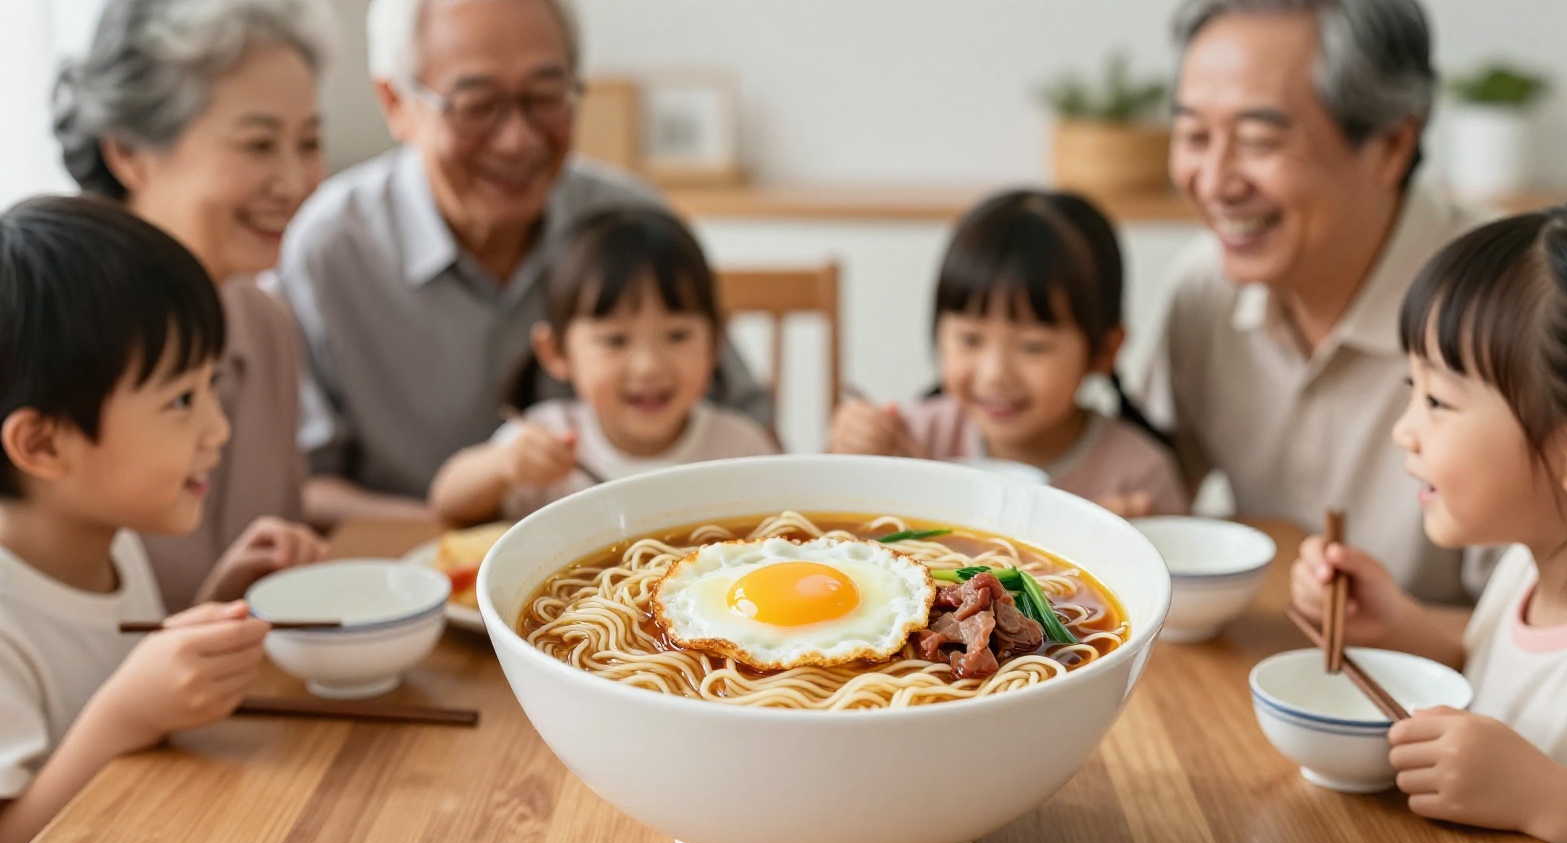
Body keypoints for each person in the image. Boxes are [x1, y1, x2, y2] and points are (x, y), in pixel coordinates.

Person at [280, 0, 770, 527]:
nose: (517, 139)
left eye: (545, 96)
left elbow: (742, 427)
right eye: (477, 104)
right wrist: (476, 542)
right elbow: (305, 485)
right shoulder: (331, 248)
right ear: (396, 103)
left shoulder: (630, 222)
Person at [0, 197, 323, 843]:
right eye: (181, 401)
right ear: (41, 443)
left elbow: (115, 662)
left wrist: (223, 593)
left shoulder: (108, 535)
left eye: (211, 387)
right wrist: (125, 718)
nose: (218, 428)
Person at [1291, 206, 1567, 843]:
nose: (1406, 430)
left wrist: (1548, 799)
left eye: (1439, 402)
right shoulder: (1530, 559)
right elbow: (1506, 678)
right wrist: (1402, 626)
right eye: (1413, 392)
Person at [1144, 0, 1494, 601]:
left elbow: (1563, 644)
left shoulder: (1510, 314)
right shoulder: (1204, 292)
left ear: (1391, 145)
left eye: (1258, 140)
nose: (1215, 181)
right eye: (1194, 135)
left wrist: (1406, 632)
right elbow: (1154, 494)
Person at [54, 0, 331, 610]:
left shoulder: (265, 323)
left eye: (309, 142)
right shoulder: (56, 340)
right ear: (129, 153)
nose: (294, 181)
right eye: (259, 145)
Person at [828, 190, 1186, 516]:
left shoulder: (1139, 475)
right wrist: (845, 454)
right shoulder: (910, 441)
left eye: (1033, 346)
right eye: (970, 339)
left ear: (1105, 350)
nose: (995, 373)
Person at [430, 207, 776, 525]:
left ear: (715, 343)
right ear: (556, 352)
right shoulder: (548, 437)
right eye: (616, 341)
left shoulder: (740, 447)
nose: (648, 366)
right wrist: (503, 466)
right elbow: (447, 503)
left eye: (677, 335)